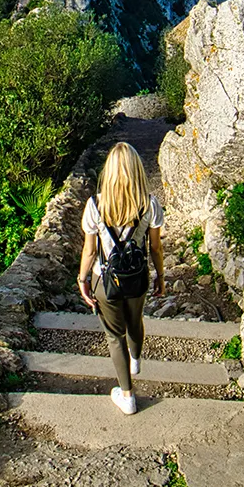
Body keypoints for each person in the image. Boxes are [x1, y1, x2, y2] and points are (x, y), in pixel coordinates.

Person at [78, 141, 164, 415]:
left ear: (109, 172)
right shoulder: (149, 204)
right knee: (135, 321)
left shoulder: (95, 205)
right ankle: (136, 358)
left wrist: (83, 280)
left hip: (106, 281)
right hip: (137, 278)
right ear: (137, 171)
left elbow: (90, 250)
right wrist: (161, 274)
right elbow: (156, 247)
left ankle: (127, 396)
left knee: (115, 337)